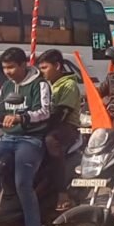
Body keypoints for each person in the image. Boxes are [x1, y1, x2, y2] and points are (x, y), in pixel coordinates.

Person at [0, 47, 53, 226]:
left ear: (23, 64)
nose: (7, 72)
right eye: (4, 68)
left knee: (23, 185)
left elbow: (44, 111)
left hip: (30, 139)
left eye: (11, 67)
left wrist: (21, 118)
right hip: (6, 139)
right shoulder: (7, 86)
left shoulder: (40, 84)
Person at [37, 49, 82, 211]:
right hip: (45, 123)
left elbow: (61, 114)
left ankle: (62, 191)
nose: (41, 72)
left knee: (51, 141)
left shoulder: (69, 85)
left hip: (66, 127)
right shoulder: (45, 85)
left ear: (57, 66)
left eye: (44, 68)